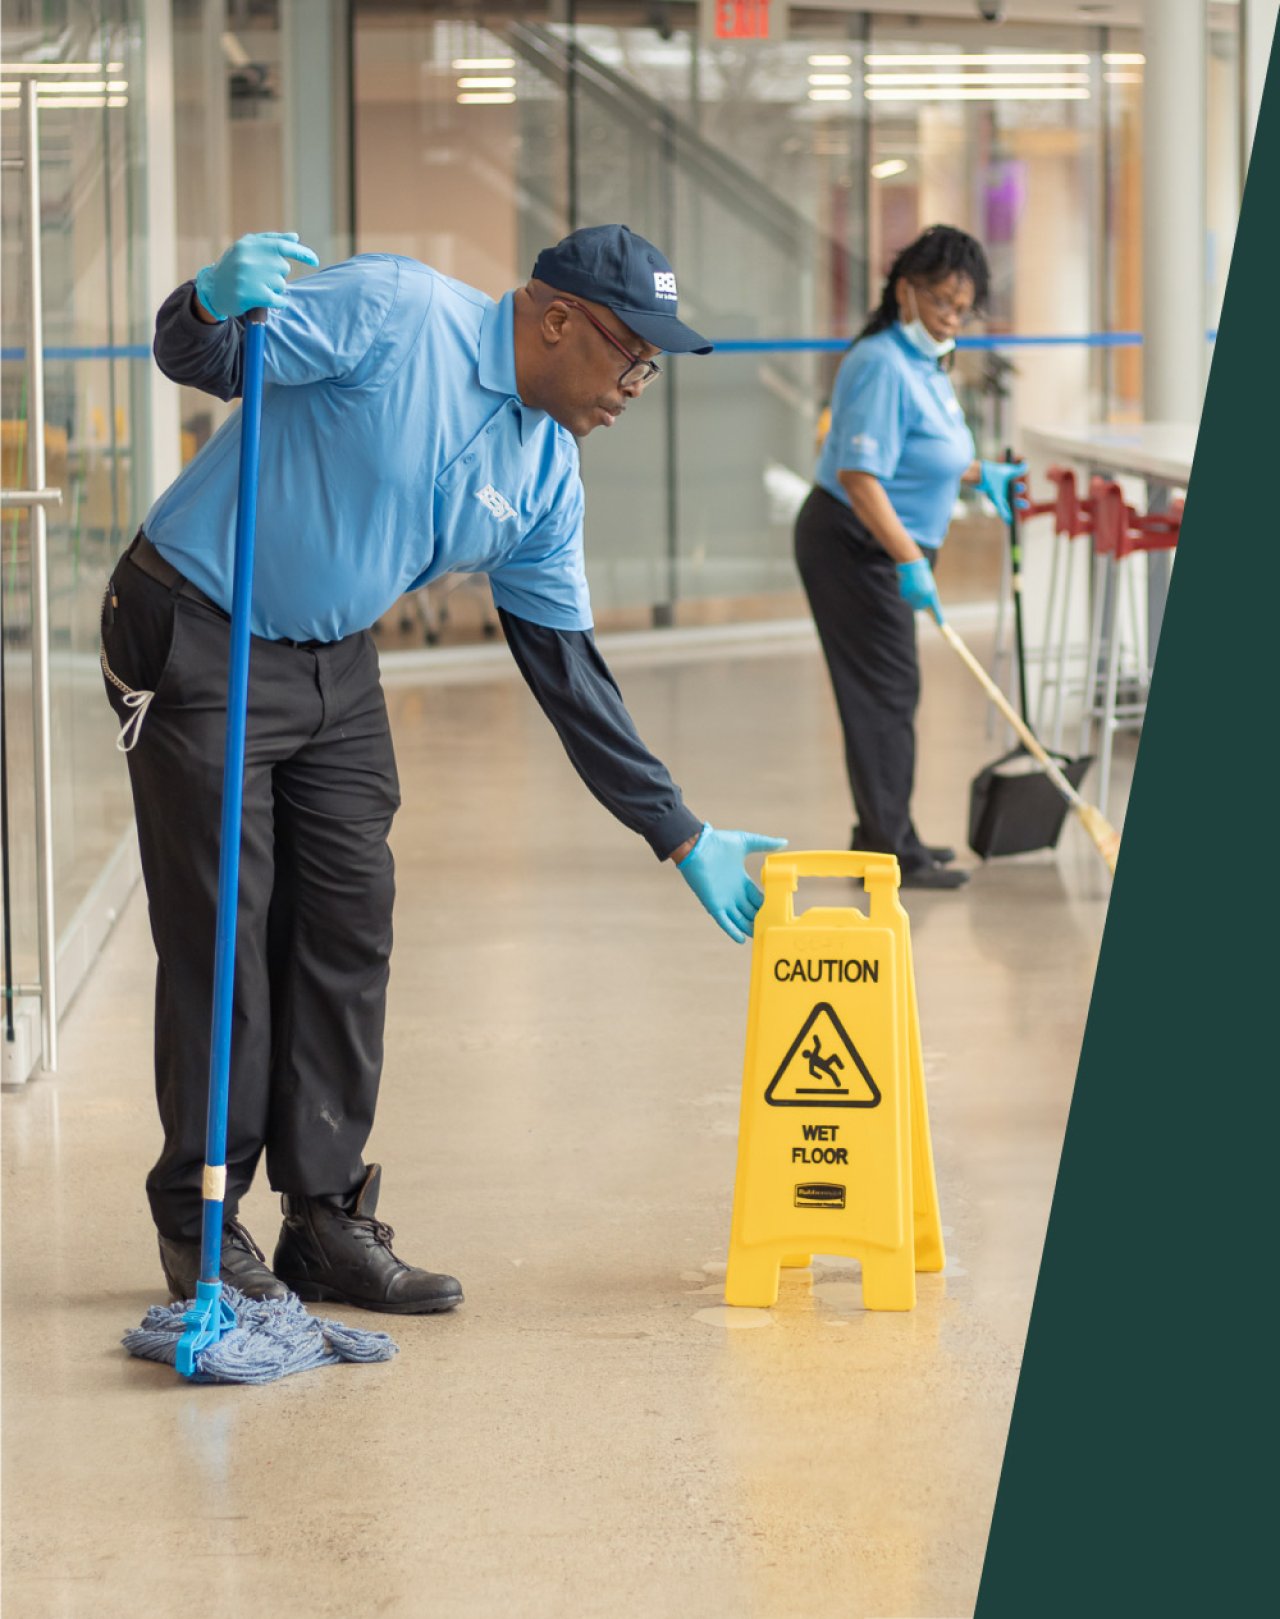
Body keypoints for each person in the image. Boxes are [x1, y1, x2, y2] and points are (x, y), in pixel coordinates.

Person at [101, 224, 784, 1313]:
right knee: (225, 926)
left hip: (335, 657)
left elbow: (567, 670)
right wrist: (203, 301)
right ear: (557, 318)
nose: (633, 388)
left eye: (649, 366)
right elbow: (215, 359)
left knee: (345, 925)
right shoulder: (397, 312)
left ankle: (322, 1216)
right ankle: (202, 1215)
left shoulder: (545, 468)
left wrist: (679, 830)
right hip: (196, 620)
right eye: (630, 357)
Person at [794, 224, 1025, 890]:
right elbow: (863, 480)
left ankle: (885, 836)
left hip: (882, 545)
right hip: (853, 544)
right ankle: (889, 857)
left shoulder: (923, 363)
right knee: (884, 695)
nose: (952, 316)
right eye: (942, 300)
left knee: (891, 694)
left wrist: (981, 475)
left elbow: (922, 454)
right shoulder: (880, 364)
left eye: (962, 306)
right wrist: (908, 561)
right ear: (905, 290)